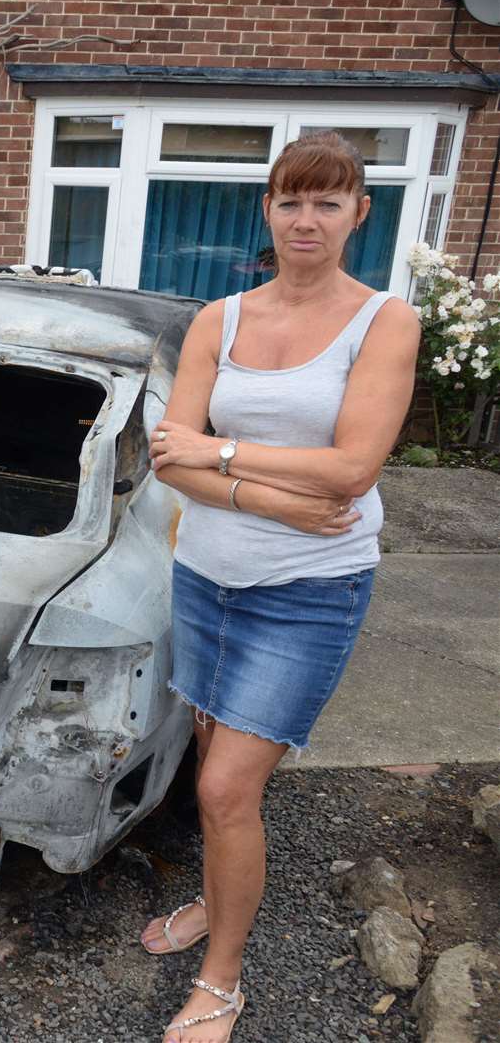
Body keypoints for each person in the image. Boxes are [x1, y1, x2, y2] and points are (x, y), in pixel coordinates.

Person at [140, 130, 420, 1041]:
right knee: (218, 774)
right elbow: (163, 461)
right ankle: (220, 904)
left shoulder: (385, 321)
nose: (307, 219)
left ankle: (222, 980)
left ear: (358, 214)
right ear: (268, 208)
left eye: (327, 202)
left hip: (307, 591)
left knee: (225, 788)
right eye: (291, 201)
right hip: (207, 576)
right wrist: (272, 496)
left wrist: (220, 452)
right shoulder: (219, 320)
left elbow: (350, 470)